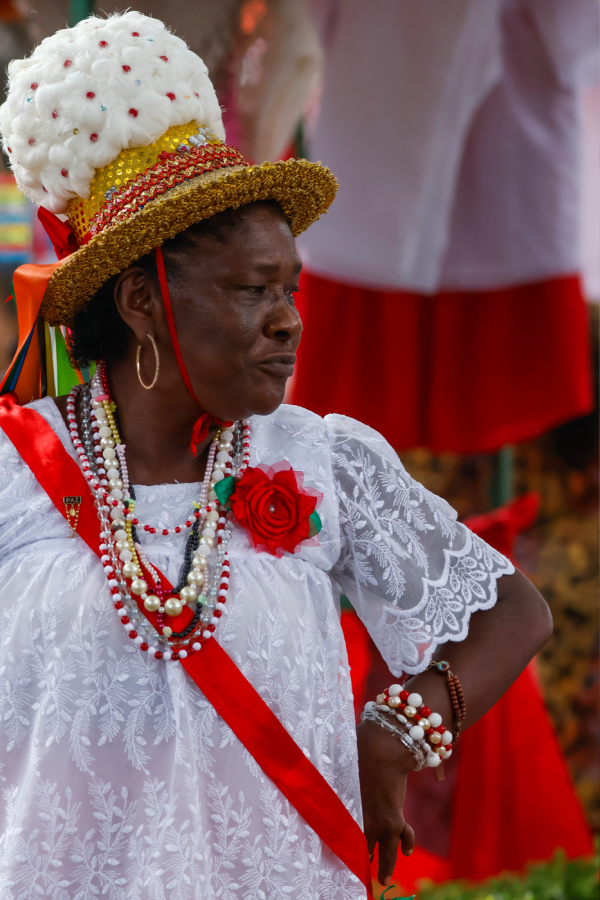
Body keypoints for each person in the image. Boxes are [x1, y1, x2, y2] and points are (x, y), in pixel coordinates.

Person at [0, 12, 551, 899]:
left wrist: (399, 731)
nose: (289, 318)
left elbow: (513, 614)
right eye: (253, 291)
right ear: (142, 300)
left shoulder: (321, 459)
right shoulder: (14, 476)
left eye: (289, 287)